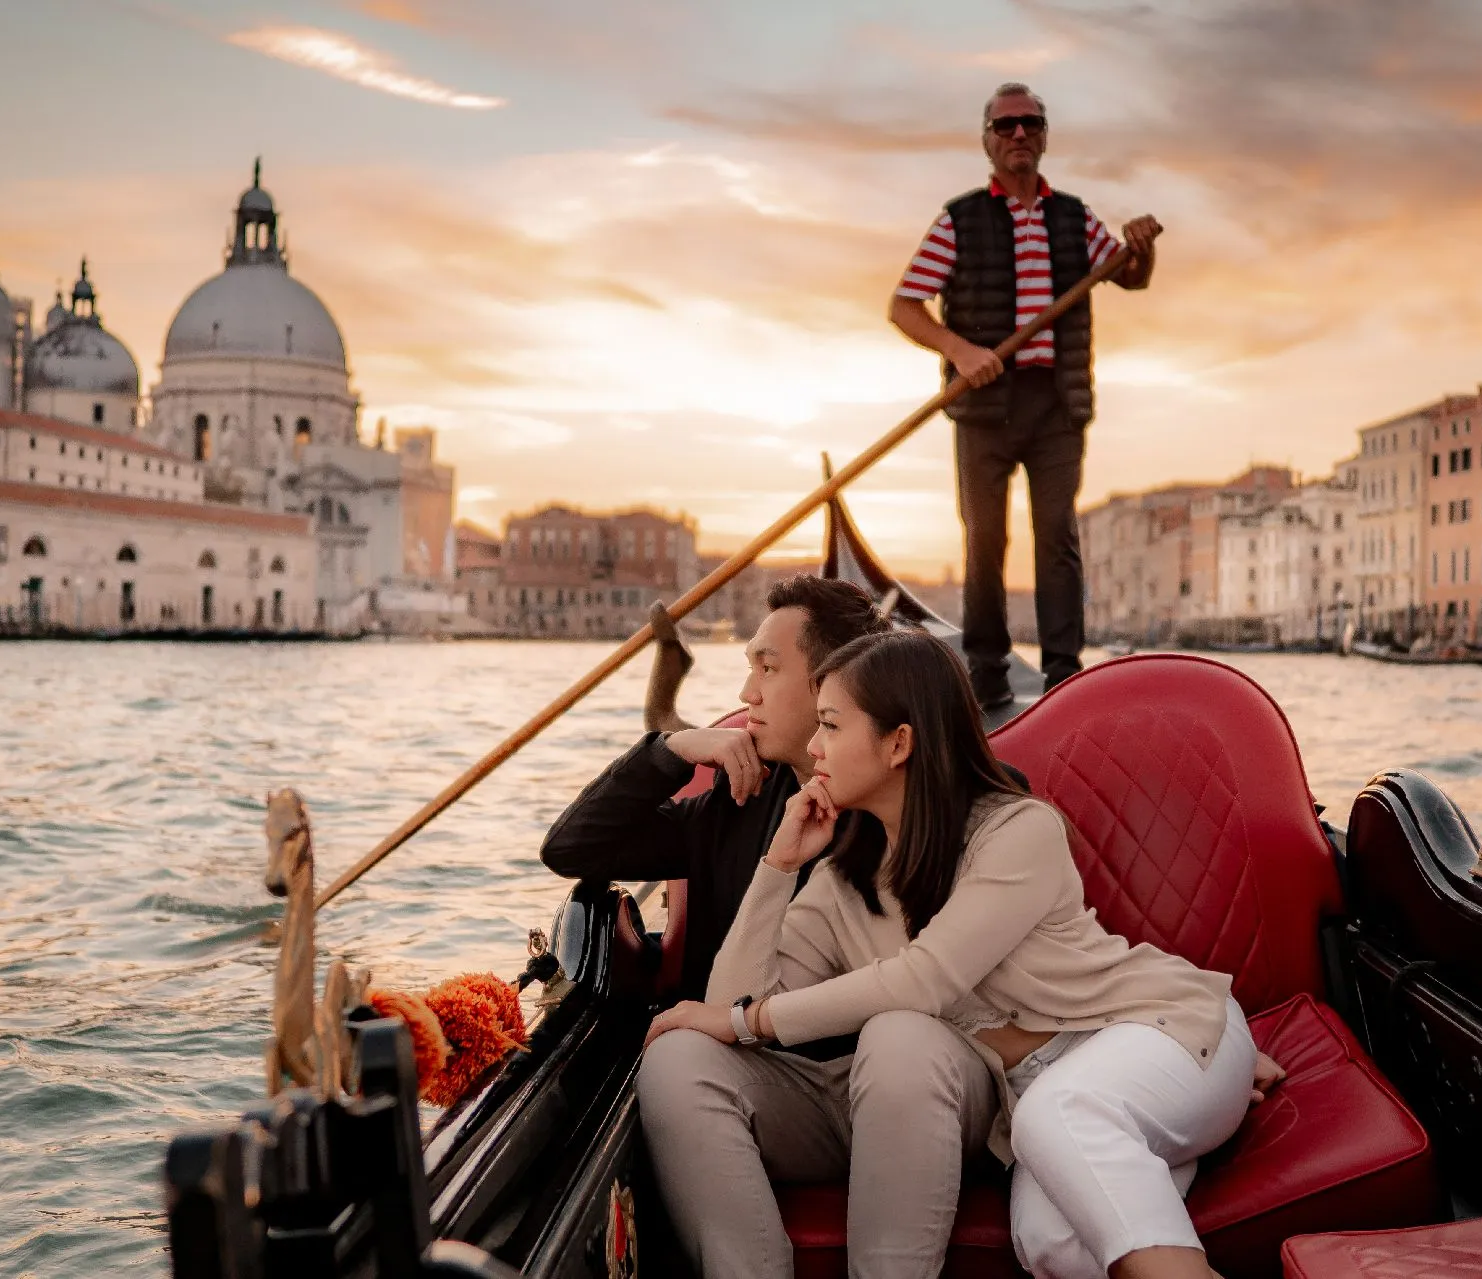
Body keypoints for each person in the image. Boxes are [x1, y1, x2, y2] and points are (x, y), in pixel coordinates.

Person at [643, 631, 1279, 1279]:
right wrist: (778, 865)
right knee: (1050, 1245)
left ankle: (1160, 1159)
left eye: (830, 725)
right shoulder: (841, 881)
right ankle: (1151, 1151)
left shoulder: (1016, 829)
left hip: (1160, 1027)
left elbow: (926, 978)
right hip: (1043, 1102)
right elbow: (729, 1011)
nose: (812, 747)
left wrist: (747, 1020)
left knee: (1058, 1109)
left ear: (899, 741)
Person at [890, 82, 1162, 712]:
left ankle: (1064, 677)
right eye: (1006, 125)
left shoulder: (1072, 216)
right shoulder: (959, 218)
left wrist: (1140, 249)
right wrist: (960, 351)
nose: (1019, 135)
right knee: (984, 539)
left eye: (1030, 124)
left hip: (1055, 403)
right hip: (985, 400)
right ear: (987, 139)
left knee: (1057, 535)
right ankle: (986, 676)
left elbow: (1130, 277)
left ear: (1044, 135)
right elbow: (904, 305)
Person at [540, 574, 891, 1000]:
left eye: (768, 669)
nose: (747, 693)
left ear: (836, 683)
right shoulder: (743, 798)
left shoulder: (900, 810)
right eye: (751, 668)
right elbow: (572, 848)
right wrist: (671, 749)